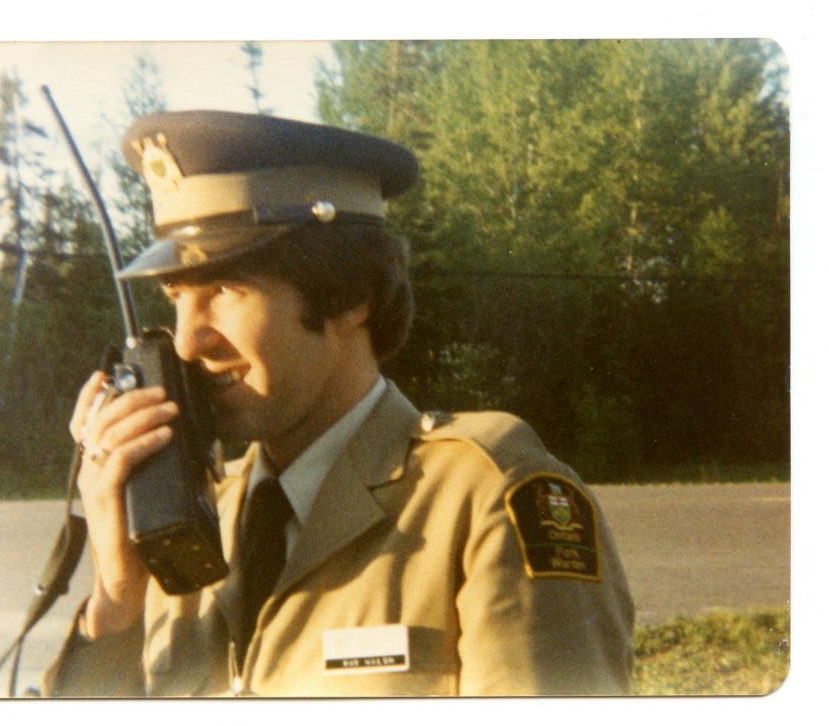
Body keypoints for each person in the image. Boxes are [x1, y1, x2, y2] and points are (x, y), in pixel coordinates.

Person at [41, 110, 635, 698]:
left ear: (351, 297)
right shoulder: (194, 523)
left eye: (226, 290)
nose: (189, 342)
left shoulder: (486, 501)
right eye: (177, 297)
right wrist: (117, 600)